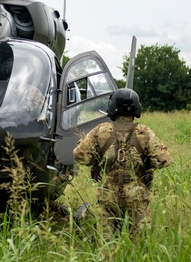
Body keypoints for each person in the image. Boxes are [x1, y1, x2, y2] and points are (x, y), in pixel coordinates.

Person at [73, 88, 170, 235]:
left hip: (108, 196)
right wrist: (146, 165)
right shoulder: (144, 132)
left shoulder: (101, 130)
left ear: (113, 107)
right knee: (139, 247)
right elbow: (164, 160)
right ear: (136, 108)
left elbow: (79, 155)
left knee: (107, 246)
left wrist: (98, 162)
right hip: (137, 196)